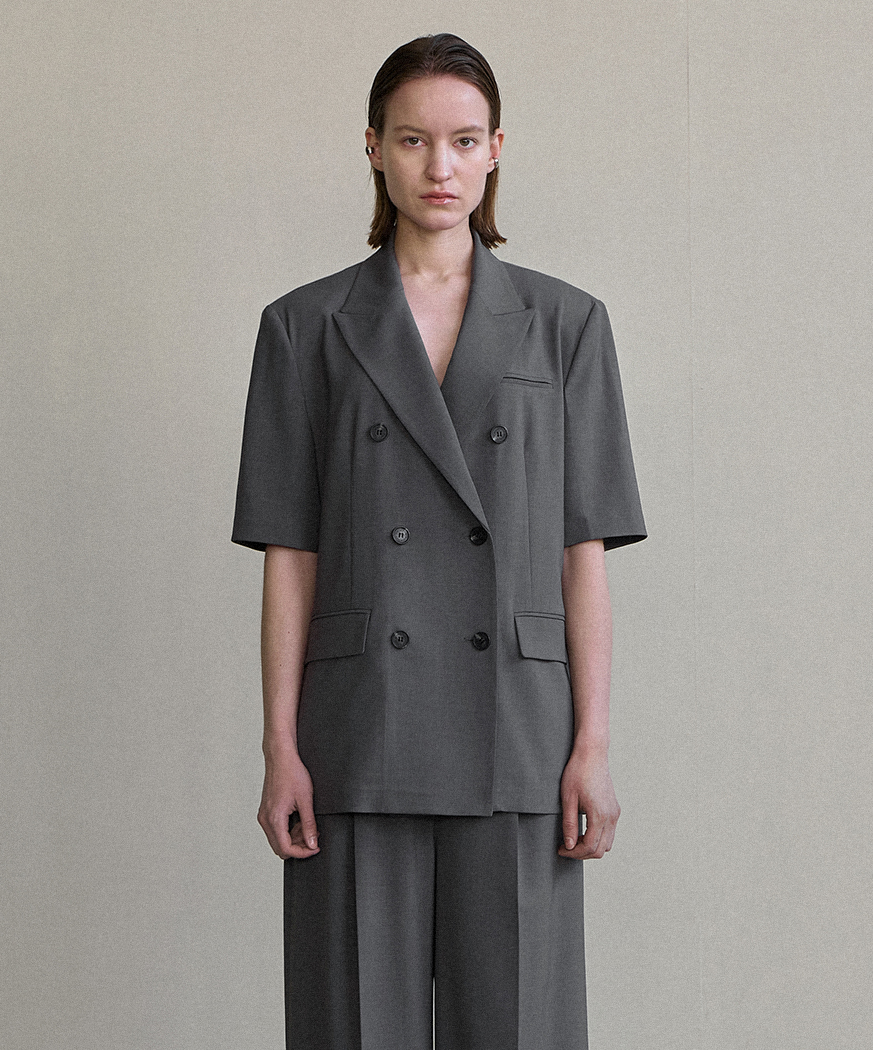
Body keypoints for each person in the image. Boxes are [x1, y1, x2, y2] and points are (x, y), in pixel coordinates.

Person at [232, 32, 646, 1050]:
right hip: (359, 726)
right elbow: (291, 557)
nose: (440, 167)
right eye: (413, 140)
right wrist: (281, 746)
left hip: (518, 725)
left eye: (464, 140)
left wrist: (592, 745)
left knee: (520, 1028)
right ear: (374, 147)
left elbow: (581, 555)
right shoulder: (303, 328)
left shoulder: (567, 325)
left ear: (497, 148)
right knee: (351, 1026)